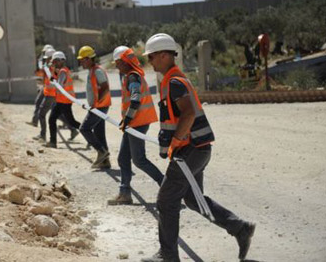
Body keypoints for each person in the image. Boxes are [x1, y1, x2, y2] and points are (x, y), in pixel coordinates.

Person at [142, 33, 255, 262]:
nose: (150, 61)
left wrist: (175, 143)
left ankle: (168, 255)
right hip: (196, 149)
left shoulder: (174, 82)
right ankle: (239, 228)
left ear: (164, 55)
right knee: (193, 200)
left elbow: (189, 113)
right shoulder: (173, 79)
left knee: (166, 200)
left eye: (152, 56)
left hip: (189, 151)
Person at [108, 46, 164, 205]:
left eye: (118, 62)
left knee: (139, 160)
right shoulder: (130, 76)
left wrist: (127, 120)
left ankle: (166, 185)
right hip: (134, 123)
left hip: (137, 123)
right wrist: (127, 121)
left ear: (125, 62)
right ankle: (125, 192)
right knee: (123, 158)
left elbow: (135, 99)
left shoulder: (133, 77)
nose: (117, 66)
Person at [77, 46, 112, 169]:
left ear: (89, 59)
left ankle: (101, 152)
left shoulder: (97, 71)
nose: (81, 62)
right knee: (99, 133)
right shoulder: (92, 71)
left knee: (84, 129)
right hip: (98, 106)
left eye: (83, 60)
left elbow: (105, 87)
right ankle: (105, 162)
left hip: (100, 107)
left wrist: (96, 104)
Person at [46, 51, 81, 148]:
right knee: (52, 119)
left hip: (64, 102)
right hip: (61, 101)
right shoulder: (63, 70)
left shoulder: (62, 72)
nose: (54, 64)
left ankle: (87, 131)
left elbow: (59, 87)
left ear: (60, 61)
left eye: (55, 61)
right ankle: (53, 142)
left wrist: (53, 81)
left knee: (71, 122)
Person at [27, 45, 53, 127]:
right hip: (46, 88)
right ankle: (35, 121)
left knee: (55, 112)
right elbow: (41, 69)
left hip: (51, 91)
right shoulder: (46, 63)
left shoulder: (53, 66)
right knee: (39, 103)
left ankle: (72, 129)